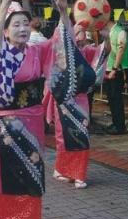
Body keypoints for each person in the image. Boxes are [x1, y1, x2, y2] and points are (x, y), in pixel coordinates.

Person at [0, 0, 83, 219]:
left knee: (33, 174)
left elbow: (64, 43)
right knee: (10, 176)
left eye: (26, 23)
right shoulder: (0, 53)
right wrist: (3, 5)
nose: (22, 29)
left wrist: (63, 12)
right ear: (6, 30)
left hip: (33, 121)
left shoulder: (37, 50)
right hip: (9, 124)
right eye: (16, 25)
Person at [47, 22, 110, 189]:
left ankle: (79, 174)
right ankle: (63, 169)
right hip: (62, 100)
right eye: (77, 32)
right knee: (62, 137)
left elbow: (103, 53)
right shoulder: (58, 53)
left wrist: (107, 37)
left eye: (82, 32)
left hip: (80, 99)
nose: (81, 36)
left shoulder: (87, 51)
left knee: (81, 136)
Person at [105, 17, 128, 135]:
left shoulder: (120, 32)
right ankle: (115, 122)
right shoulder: (111, 32)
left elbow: (121, 51)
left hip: (117, 70)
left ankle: (120, 126)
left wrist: (114, 69)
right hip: (110, 69)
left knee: (116, 99)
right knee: (111, 98)